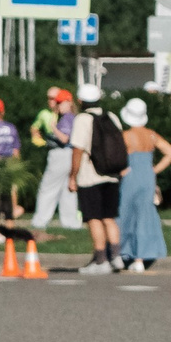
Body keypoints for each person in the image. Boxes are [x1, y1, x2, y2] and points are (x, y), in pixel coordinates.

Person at [114, 97, 171, 271]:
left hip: (131, 176)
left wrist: (121, 170)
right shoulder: (151, 135)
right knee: (144, 215)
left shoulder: (126, 136)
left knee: (124, 213)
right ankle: (140, 259)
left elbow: (115, 158)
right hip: (147, 177)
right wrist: (154, 170)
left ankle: (121, 253)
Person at [66, 83, 124, 274]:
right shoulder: (112, 116)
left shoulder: (83, 119)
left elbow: (78, 149)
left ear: (80, 101)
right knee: (109, 217)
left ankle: (101, 260)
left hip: (90, 176)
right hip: (112, 175)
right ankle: (116, 257)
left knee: (94, 218)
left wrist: (72, 176)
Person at [30, 86, 80, 230]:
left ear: (69, 102)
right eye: (57, 102)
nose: (58, 105)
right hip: (71, 154)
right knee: (67, 190)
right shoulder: (72, 117)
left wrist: (53, 128)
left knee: (48, 188)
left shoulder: (67, 118)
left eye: (60, 102)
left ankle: (40, 221)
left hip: (61, 154)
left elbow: (64, 139)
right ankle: (70, 223)